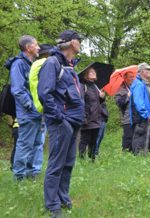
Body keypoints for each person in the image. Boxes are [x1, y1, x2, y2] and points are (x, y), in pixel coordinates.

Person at [38, 30, 84, 217]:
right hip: (61, 122)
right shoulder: (52, 63)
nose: (80, 44)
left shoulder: (70, 66)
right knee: (56, 164)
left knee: (68, 163)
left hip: (73, 122)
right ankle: (52, 205)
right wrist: (59, 118)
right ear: (73, 42)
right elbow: (44, 94)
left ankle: (63, 197)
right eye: (79, 41)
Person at [6, 35, 41, 181]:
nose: (39, 47)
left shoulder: (31, 64)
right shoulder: (19, 64)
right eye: (36, 44)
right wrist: (30, 106)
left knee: (35, 144)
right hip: (27, 113)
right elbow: (18, 90)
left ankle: (30, 174)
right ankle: (18, 177)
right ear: (29, 47)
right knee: (25, 144)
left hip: (36, 113)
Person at [29, 43, 53, 175]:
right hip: (43, 105)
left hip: (36, 105)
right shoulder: (46, 64)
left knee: (34, 141)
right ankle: (35, 170)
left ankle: (32, 169)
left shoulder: (35, 64)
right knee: (38, 141)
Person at [78, 67, 105, 161]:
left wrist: (101, 97)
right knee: (84, 140)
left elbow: (98, 103)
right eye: (91, 72)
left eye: (94, 72)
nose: (94, 73)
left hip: (96, 117)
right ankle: (81, 159)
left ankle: (92, 159)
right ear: (86, 74)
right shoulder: (83, 86)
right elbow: (81, 102)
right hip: (87, 118)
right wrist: (83, 118)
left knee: (94, 140)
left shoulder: (95, 86)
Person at [130, 63, 150, 155]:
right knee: (140, 135)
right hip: (140, 116)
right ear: (141, 71)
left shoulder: (146, 84)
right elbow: (138, 102)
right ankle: (137, 155)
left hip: (147, 114)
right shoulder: (138, 84)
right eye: (148, 69)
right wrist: (145, 114)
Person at [115, 72, 135, 153]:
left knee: (134, 136)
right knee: (128, 137)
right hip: (126, 117)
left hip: (135, 116)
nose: (132, 78)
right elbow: (119, 103)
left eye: (133, 77)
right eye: (130, 77)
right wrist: (127, 96)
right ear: (125, 78)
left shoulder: (133, 87)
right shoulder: (120, 89)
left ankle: (134, 154)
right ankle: (126, 153)